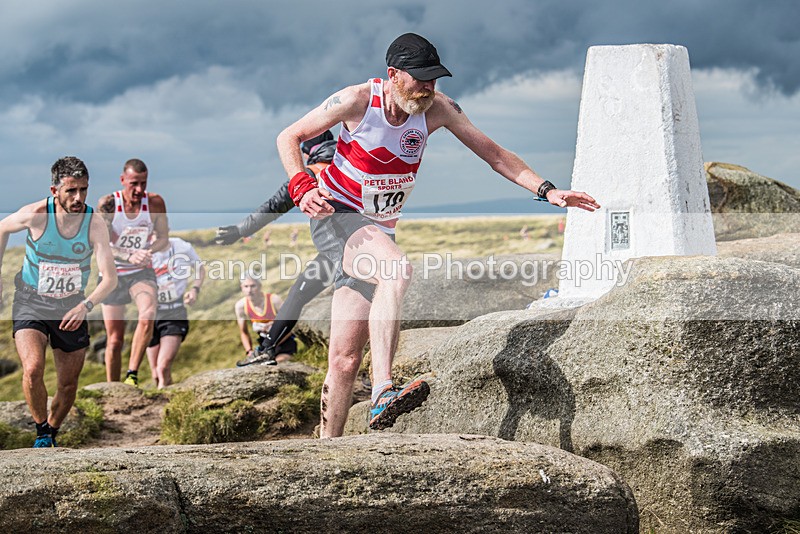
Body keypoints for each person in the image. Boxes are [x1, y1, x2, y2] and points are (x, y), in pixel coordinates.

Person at [276, 33, 600, 438]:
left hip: (376, 230)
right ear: (393, 75)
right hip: (336, 216)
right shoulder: (357, 100)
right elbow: (288, 137)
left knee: (343, 360)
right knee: (396, 270)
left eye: (435, 78)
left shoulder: (439, 109)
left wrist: (547, 190)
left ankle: (325, 450)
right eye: (420, 79)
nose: (428, 87)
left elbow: (495, 154)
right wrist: (302, 186)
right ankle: (382, 392)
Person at [0, 156, 117, 447]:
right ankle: (41, 431)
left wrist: (85, 306)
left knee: (67, 384)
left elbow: (110, 278)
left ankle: (52, 429)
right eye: (71, 191)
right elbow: (1, 227)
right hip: (31, 302)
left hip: (71, 306)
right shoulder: (36, 214)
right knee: (33, 368)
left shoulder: (94, 224)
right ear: (55, 190)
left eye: (84, 190)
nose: (79, 197)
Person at [215, 134, 338, 367]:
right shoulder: (350, 165)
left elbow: (274, 205)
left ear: (310, 151)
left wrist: (240, 230)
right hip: (369, 246)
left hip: (336, 254)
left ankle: (266, 349)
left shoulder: (312, 173)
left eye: (303, 152)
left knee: (298, 295)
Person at [97, 159, 169, 387]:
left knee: (147, 314)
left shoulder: (155, 203)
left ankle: (132, 375)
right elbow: (100, 244)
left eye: (143, 183)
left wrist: (148, 250)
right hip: (113, 274)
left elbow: (164, 237)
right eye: (134, 184)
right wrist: (128, 255)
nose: (139, 190)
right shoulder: (108, 204)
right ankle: (112, 388)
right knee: (115, 340)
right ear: (123, 180)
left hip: (141, 272)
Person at [145, 236, 205, 388]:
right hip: (151, 313)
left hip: (174, 312)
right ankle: (169, 399)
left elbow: (200, 268)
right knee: (156, 374)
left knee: (163, 367)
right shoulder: (142, 250)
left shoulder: (182, 247)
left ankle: (165, 405)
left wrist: (194, 290)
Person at [234, 273, 297, 365]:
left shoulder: (274, 300)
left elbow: (292, 324)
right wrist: (249, 351)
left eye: (253, 286)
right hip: (265, 345)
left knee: (277, 363)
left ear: (259, 286)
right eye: (246, 286)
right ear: (241, 287)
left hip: (284, 342)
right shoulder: (241, 306)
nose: (249, 290)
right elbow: (243, 332)